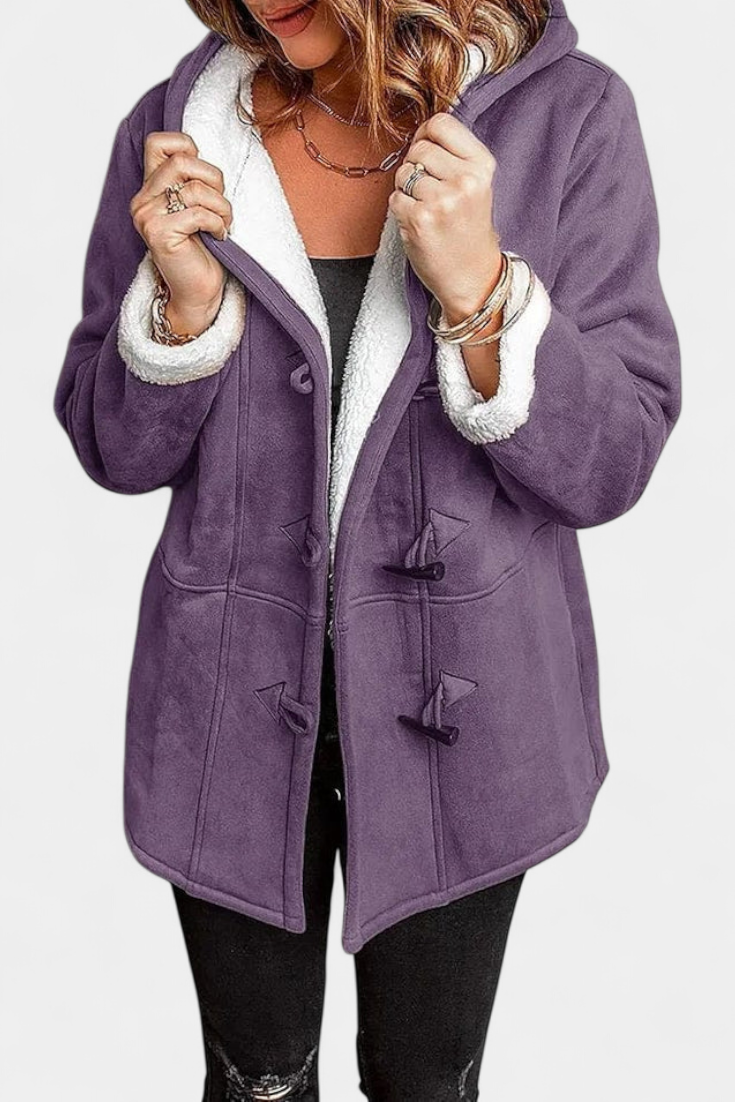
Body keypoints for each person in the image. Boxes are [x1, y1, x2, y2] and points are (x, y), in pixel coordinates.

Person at [53, 1, 681, 1098]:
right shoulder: (181, 128)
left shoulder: (570, 119)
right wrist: (183, 310)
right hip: (226, 711)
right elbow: (113, 448)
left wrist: (483, 294)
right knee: (252, 1083)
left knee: (424, 1084)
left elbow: (611, 462)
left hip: (469, 718)